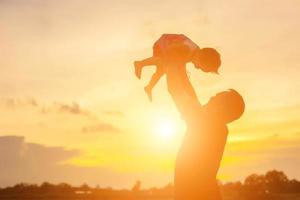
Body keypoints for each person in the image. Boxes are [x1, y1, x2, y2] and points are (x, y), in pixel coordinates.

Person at [164, 62, 245, 200]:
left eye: (217, 97)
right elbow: (190, 94)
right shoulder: (215, 126)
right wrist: (180, 66)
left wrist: (169, 62)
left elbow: (176, 90)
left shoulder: (207, 124)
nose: (212, 97)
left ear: (220, 108)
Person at [134, 34, 221, 101]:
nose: (197, 68)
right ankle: (140, 64)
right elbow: (174, 48)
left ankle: (149, 87)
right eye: (201, 67)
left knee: (160, 72)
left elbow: (182, 68)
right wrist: (174, 63)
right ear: (201, 57)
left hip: (169, 48)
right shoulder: (187, 49)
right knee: (163, 62)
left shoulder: (193, 52)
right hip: (163, 44)